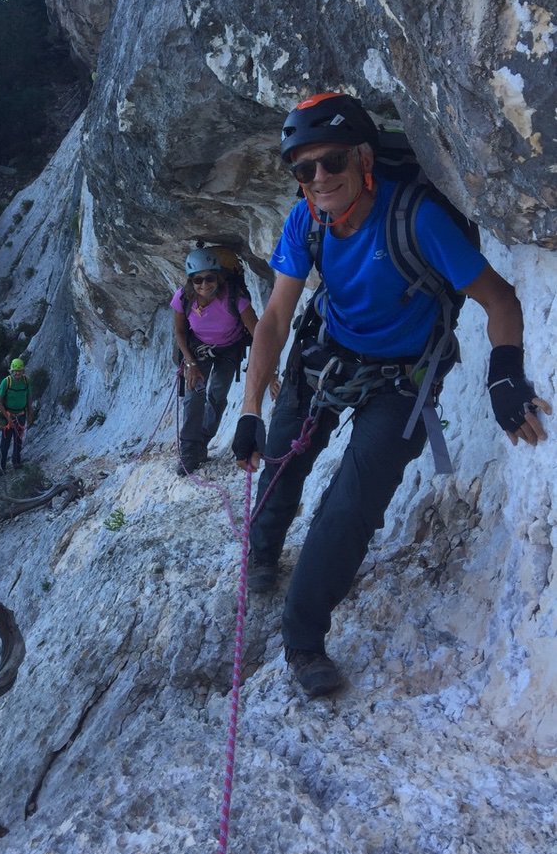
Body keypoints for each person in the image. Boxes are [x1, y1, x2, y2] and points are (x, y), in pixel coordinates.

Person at [232, 92, 550, 699]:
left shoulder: (416, 219)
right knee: (283, 458)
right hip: (325, 357)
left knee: (352, 505)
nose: (318, 179)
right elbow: (274, 317)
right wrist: (249, 410)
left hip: (404, 379)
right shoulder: (307, 218)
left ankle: (303, 641)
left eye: (331, 163)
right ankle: (263, 551)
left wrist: (504, 373)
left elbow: (500, 299)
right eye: (304, 169)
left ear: (363, 157)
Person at [172, 248, 258, 475]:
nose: (204, 285)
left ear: (218, 276)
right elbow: (180, 332)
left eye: (209, 278)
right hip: (198, 348)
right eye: (197, 280)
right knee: (193, 395)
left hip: (229, 349)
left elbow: (258, 332)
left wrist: (269, 370)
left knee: (217, 395)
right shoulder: (183, 298)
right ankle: (189, 451)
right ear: (191, 281)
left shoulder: (234, 299)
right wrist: (190, 364)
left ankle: (202, 443)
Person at [0, 358, 31, 473]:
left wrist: (30, 414)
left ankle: (16, 462)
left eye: (19, 371)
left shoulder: (26, 381)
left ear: (23, 371)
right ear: (11, 370)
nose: (17, 373)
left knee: (18, 440)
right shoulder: (6, 382)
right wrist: (7, 418)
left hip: (21, 414)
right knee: (5, 442)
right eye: (15, 371)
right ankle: (0, 467)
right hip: (8, 414)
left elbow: (29, 398)